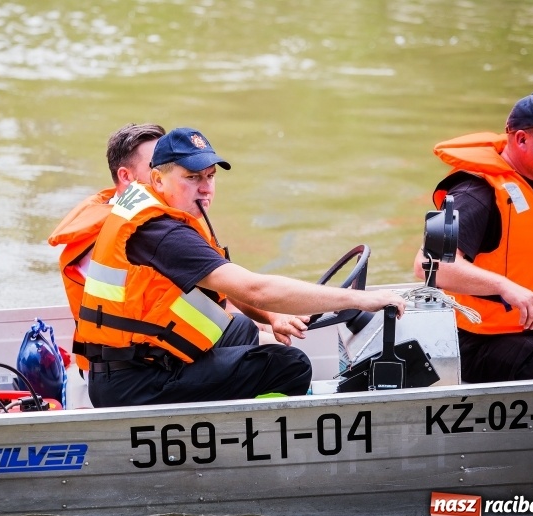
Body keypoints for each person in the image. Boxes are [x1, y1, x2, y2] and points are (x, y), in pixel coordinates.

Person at [78, 127, 407, 407]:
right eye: (191, 178)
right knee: (289, 365)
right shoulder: (160, 232)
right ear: (157, 179)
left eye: (210, 177)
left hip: (141, 360)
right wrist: (359, 299)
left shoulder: (166, 213)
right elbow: (256, 289)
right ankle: (248, 445)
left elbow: (229, 286)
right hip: (135, 383)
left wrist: (273, 317)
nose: (205, 189)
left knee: (243, 328)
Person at [413, 92, 533, 382]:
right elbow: (428, 265)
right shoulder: (475, 192)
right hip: (484, 342)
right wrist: (504, 286)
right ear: (521, 139)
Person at [48, 123, 166, 373]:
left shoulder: (131, 213)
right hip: (131, 370)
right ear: (125, 176)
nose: (168, 172)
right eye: (157, 165)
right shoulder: (131, 233)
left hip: (130, 358)